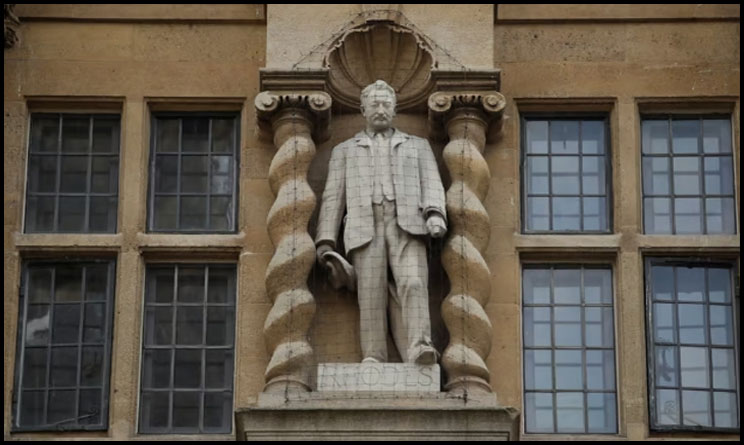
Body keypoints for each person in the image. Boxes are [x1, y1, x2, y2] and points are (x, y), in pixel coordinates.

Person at [316, 80, 447, 365]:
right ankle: (373, 355)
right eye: (374, 104)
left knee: (413, 282)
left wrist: (435, 213)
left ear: (395, 109)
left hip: (408, 223)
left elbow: (432, 183)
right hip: (364, 225)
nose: (380, 109)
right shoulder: (345, 150)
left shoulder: (418, 146)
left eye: (386, 104)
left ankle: (420, 346)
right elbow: (332, 198)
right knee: (371, 294)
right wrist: (325, 241)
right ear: (363, 109)